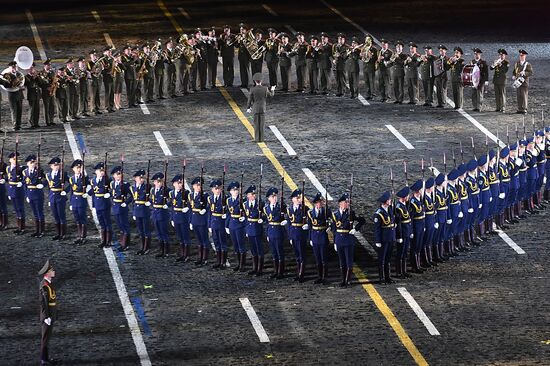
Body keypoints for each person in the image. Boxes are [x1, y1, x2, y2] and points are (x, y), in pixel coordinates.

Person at [331, 193, 357, 286]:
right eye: (345, 202)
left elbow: (362, 220)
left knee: (349, 261)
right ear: (340, 203)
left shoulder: (351, 213)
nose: (347, 204)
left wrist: (356, 229)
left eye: (348, 202)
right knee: (342, 261)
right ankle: (343, 280)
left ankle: (348, 280)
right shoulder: (335, 214)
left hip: (348, 239)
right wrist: (334, 242)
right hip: (339, 240)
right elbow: (334, 229)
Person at [307, 192, 330, 284]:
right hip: (315, 236)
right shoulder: (310, 213)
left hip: (323, 235)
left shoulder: (326, 211)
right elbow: (309, 227)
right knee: (317, 258)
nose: (320, 204)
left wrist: (329, 225)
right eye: (318, 202)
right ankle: (319, 276)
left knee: (324, 258)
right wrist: (310, 238)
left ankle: (325, 277)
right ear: (315, 203)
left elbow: (332, 220)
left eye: (321, 202)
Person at [38, 260, 58, 366]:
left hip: (51, 314)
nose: (54, 271)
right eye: (52, 270)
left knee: (47, 338)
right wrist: (46, 316)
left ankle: (45, 358)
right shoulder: (45, 286)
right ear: (47, 273)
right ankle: (43, 360)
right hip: (47, 315)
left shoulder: (48, 283)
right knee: (45, 338)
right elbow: (43, 303)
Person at [264, 187, 286, 279]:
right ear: (269, 198)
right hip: (271, 232)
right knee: (274, 252)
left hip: (278, 231)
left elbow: (287, 216)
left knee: (279, 251)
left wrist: (285, 221)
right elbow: (266, 222)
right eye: (272, 196)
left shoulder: (281, 206)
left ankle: (280, 272)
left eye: (275, 196)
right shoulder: (266, 208)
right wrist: (267, 233)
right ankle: (275, 271)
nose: (275, 198)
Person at [89, 162, 112, 248]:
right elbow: (93, 191)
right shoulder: (93, 180)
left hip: (105, 203)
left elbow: (114, 190)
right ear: (96, 171)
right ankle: (103, 240)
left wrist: (109, 193)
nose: (102, 172)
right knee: (101, 222)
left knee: (107, 222)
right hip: (98, 203)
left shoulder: (107, 180)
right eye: (100, 170)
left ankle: (108, 241)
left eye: (103, 170)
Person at [246, 72, 275, 143]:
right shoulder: (265, 89)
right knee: (262, 124)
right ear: (261, 81)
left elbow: (249, 100)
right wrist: (273, 89)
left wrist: (248, 107)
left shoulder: (252, 89)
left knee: (256, 124)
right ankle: (261, 139)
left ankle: (257, 138)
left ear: (255, 81)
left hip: (255, 108)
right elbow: (271, 95)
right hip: (262, 108)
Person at [287, 189, 308, 282]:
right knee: (296, 255)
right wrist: (290, 236)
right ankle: (298, 272)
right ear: (293, 199)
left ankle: (302, 274)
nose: (299, 199)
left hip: (301, 234)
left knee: (302, 255)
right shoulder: (289, 209)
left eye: (300, 198)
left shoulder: (305, 209)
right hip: (294, 234)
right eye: (297, 198)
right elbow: (289, 224)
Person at [373, 191, 395, 284]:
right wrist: (378, 240)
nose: (390, 201)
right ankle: (381, 278)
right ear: (385, 201)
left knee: (388, 258)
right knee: (382, 259)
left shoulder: (389, 209)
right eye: (389, 200)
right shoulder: (378, 213)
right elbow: (377, 229)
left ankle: (388, 277)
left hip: (390, 237)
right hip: (383, 239)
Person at [169, 174, 192, 262]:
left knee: (185, 237)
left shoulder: (186, 192)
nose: (180, 185)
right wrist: (172, 218)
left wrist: (188, 208)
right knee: (180, 237)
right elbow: (172, 206)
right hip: (176, 217)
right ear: (174, 184)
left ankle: (186, 255)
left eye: (181, 183)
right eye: (178, 183)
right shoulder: (171, 193)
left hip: (184, 217)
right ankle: (182, 254)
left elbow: (192, 202)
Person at [23, 154, 46, 238]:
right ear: (27, 163)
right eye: (31, 162)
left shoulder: (39, 171)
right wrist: (26, 195)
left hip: (38, 194)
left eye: (34, 162)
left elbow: (46, 179)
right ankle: (37, 230)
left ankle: (42, 231)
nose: (33, 164)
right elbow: (24, 184)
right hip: (30, 194)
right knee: (35, 213)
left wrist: (42, 184)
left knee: (40, 212)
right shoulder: (25, 172)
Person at [225, 182, 247, 270]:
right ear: (230, 191)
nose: (236, 192)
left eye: (237, 190)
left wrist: (244, 219)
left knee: (241, 245)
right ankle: (239, 263)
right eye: (234, 190)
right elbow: (228, 213)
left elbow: (247, 212)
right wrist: (227, 225)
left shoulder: (242, 200)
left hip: (240, 224)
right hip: (232, 224)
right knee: (235, 245)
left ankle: (242, 265)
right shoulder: (228, 200)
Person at [110, 166, 132, 251]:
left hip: (122, 207)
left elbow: (132, 196)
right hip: (115, 206)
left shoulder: (125, 185)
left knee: (124, 225)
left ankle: (126, 244)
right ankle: (122, 242)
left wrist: (126, 203)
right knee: (119, 225)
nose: (119, 176)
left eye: (120, 174)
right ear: (114, 175)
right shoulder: (112, 183)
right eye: (117, 174)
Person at [208, 179, 228, 269]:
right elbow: (209, 212)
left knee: (222, 242)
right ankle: (218, 261)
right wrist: (209, 225)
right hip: (213, 222)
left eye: (218, 188)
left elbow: (229, 211)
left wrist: (226, 216)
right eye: (215, 189)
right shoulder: (210, 198)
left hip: (221, 223)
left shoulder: (225, 199)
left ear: (220, 189)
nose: (217, 190)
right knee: (216, 242)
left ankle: (223, 262)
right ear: (212, 190)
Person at [46, 157, 68, 241]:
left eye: (58, 165)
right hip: (52, 197)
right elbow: (49, 187)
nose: (56, 167)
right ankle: (58, 233)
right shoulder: (48, 175)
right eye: (54, 165)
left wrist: (65, 191)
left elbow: (71, 182)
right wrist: (49, 198)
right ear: (51, 166)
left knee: (61, 215)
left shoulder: (63, 174)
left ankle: (63, 234)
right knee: (55, 216)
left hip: (60, 197)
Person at [243, 184, 263, 274]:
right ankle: (254, 268)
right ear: (248, 195)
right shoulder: (245, 204)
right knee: (253, 249)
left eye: (254, 194)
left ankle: (259, 269)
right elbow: (246, 217)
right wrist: (246, 230)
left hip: (257, 228)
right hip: (250, 229)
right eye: (252, 194)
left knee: (259, 249)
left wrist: (262, 219)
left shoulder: (260, 203)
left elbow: (266, 215)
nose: (254, 196)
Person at [131, 169, 152, 255]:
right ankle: (142, 246)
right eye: (140, 178)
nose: (141, 179)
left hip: (145, 211)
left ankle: (146, 248)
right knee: (140, 230)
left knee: (146, 229)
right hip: (137, 211)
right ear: (135, 178)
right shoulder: (132, 188)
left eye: (142, 178)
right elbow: (133, 201)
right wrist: (133, 212)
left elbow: (152, 198)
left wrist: (149, 202)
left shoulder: (147, 187)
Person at [189, 176, 209, 265]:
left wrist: (205, 209)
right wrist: (190, 221)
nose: (198, 187)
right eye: (196, 185)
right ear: (193, 186)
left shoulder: (205, 195)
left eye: (200, 185)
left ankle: (205, 258)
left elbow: (208, 207)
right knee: (198, 239)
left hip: (202, 220)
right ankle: (200, 257)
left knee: (204, 239)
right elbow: (190, 209)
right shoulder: (191, 195)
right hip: (194, 219)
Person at [69, 159, 89, 244]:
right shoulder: (72, 179)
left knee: (82, 218)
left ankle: (83, 236)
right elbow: (71, 191)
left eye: (79, 168)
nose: (78, 169)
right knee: (77, 219)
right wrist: (71, 202)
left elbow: (89, 185)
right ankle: (79, 235)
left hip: (81, 200)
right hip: (74, 200)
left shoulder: (84, 178)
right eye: (76, 168)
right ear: (73, 169)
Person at [150, 172, 170, 257]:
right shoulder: (152, 190)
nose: (158, 183)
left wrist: (167, 205)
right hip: (155, 213)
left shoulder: (166, 190)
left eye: (160, 182)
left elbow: (172, 199)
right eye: (157, 182)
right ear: (154, 182)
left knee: (164, 232)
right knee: (158, 232)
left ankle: (166, 251)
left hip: (162, 213)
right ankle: (161, 250)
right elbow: (152, 200)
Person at [394, 186, 412, 279]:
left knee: (405, 252)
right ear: (404, 197)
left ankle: (404, 271)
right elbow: (399, 223)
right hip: (402, 233)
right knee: (400, 253)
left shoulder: (404, 205)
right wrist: (399, 236)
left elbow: (409, 219)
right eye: (407, 196)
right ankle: (398, 272)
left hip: (407, 231)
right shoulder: (398, 208)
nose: (408, 197)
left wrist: (410, 231)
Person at [7, 151, 25, 234]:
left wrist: (22, 182)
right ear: (10, 160)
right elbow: (9, 180)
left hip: (18, 191)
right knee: (16, 209)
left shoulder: (21, 168)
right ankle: (19, 227)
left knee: (20, 208)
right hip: (12, 190)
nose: (15, 160)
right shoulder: (8, 168)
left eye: (16, 159)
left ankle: (22, 227)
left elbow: (26, 179)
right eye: (13, 159)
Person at [4, 61, 25, 130]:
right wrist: (13, 84)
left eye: (15, 67)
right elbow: (5, 85)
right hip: (11, 94)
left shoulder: (19, 74)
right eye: (13, 67)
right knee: (14, 110)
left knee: (19, 110)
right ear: (9, 68)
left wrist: (20, 86)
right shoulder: (7, 74)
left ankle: (19, 125)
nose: (14, 68)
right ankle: (15, 125)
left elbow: (22, 82)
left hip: (19, 93)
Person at [512, 49, 533, 114]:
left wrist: (524, 73)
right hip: (518, 82)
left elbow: (531, 73)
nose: (521, 57)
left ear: (525, 56)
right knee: (519, 95)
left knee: (524, 96)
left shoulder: (528, 64)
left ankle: (524, 109)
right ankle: (519, 108)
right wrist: (514, 75)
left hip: (524, 82)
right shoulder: (517, 64)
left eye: (522, 56)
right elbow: (514, 71)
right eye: (520, 56)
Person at [25, 62, 42, 128]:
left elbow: (40, 84)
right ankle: (31, 123)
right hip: (31, 95)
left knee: (37, 110)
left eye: (33, 68)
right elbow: (29, 85)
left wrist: (37, 77)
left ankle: (36, 123)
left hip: (37, 95)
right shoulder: (26, 77)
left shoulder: (36, 76)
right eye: (31, 68)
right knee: (31, 110)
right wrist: (33, 77)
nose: (32, 69)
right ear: (28, 69)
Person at [86, 50, 102, 115]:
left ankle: (98, 108)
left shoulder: (98, 63)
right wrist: (95, 70)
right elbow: (89, 71)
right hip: (92, 81)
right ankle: (93, 109)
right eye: (93, 55)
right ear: (91, 56)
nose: (94, 57)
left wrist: (98, 69)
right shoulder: (89, 63)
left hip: (97, 80)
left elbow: (100, 70)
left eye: (95, 55)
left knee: (98, 95)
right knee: (93, 95)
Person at [362, 35, 378, 100]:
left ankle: (373, 95)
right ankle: (368, 94)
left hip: (371, 67)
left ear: (370, 40)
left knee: (372, 82)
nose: (366, 41)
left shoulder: (374, 49)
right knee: (366, 81)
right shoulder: (364, 48)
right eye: (366, 39)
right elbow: (362, 58)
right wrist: (361, 55)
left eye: (367, 39)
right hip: (365, 66)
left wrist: (371, 56)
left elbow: (376, 59)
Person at [236, 23, 251, 88]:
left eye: (242, 29)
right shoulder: (240, 37)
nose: (241, 31)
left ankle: (247, 83)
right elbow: (237, 46)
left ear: (245, 30)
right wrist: (238, 41)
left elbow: (250, 46)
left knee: (246, 69)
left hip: (246, 56)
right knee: (242, 70)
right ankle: (243, 83)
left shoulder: (248, 37)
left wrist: (244, 39)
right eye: (240, 29)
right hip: (241, 56)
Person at [101, 46, 116, 113]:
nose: (110, 53)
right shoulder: (103, 59)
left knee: (112, 92)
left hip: (112, 77)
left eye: (111, 52)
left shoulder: (112, 59)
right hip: (106, 77)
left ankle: (111, 106)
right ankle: (107, 107)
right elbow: (102, 69)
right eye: (109, 51)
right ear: (105, 52)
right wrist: (108, 72)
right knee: (108, 92)